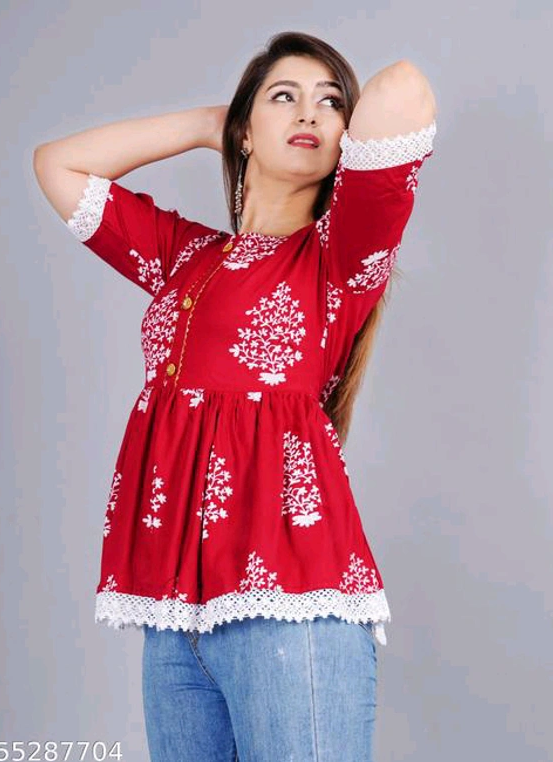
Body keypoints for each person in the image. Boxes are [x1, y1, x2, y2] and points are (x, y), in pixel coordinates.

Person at [33, 30, 437, 762]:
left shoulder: (340, 257)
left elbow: (404, 88)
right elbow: (58, 165)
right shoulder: (184, 256)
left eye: (330, 102)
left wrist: (316, 125)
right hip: (176, 618)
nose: (309, 112)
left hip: (292, 607)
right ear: (245, 132)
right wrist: (208, 124)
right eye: (284, 96)